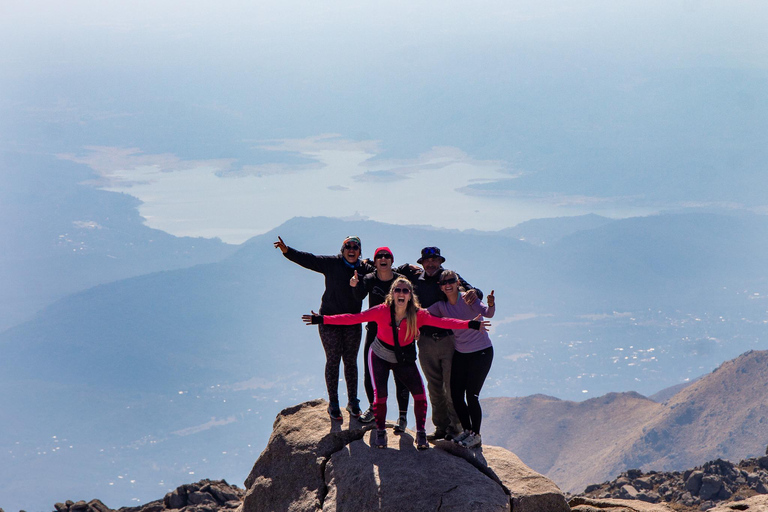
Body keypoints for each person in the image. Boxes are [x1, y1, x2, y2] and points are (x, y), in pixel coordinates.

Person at [302, 277, 490, 450]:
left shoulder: (418, 315)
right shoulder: (381, 311)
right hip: (380, 355)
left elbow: (443, 322)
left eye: (406, 291)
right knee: (380, 396)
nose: (401, 293)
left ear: (410, 296)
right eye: (398, 290)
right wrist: (322, 319)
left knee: (420, 396)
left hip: (402, 358)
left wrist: (470, 324)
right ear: (392, 294)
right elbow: (353, 318)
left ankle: (421, 433)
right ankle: (382, 431)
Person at [275, 235, 374, 421]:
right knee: (333, 360)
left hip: (352, 321)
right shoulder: (332, 263)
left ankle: (353, 402)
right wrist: (287, 251)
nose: (351, 250)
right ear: (342, 249)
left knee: (351, 361)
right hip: (328, 320)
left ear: (360, 252)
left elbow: (387, 270)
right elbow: (310, 259)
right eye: (348, 246)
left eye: (355, 247)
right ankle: (334, 403)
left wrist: (411, 270)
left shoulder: (366, 269)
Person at [397, 246, 482, 441]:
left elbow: (475, 290)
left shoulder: (449, 277)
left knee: (451, 386)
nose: (431, 263)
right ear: (422, 262)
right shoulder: (415, 280)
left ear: (441, 262)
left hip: (449, 340)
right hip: (425, 341)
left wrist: (474, 292)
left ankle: (456, 428)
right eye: (427, 261)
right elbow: (392, 273)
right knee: (434, 387)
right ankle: (441, 428)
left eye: (435, 260)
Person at [428, 270, 496, 449]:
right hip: (461, 353)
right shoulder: (441, 306)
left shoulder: (468, 298)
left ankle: (476, 435)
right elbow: (423, 315)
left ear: (458, 283)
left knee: (472, 396)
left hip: (481, 352)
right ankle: (467, 431)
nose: (447, 285)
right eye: (444, 283)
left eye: (451, 281)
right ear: (440, 287)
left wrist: (491, 304)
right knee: (456, 395)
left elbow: (487, 313)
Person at [351, 247, 410, 428]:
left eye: (386, 256)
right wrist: (354, 285)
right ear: (375, 261)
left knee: (401, 375)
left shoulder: (401, 280)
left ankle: (402, 416)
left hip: (399, 333)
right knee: (370, 373)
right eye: (379, 257)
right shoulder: (369, 279)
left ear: (392, 260)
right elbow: (359, 296)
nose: (383, 259)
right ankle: (373, 409)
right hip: (374, 332)